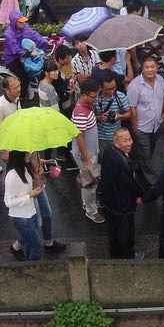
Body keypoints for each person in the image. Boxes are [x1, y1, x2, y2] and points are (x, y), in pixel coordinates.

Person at [98, 128, 143, 259]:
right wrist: (141, 195)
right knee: (125, 231)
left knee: (113, 229)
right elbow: (129, 183)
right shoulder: (121, 161)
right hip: (122, 204)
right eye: (125, 140)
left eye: (130, 139)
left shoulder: (108, 152)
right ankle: (128, 255)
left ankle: (115, 253)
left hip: (109, 201)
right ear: (116, 142)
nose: (129, 143)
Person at [126, 56, 164, 186]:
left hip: (156, 125)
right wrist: (135, 128)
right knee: (146, 152)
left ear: (157, 68)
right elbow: (132, 107)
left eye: (153, 67)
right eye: (147, 67)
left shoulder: (161, 80)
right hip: (142, 127)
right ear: (142, 69)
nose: (150, 70)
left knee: (150, 150)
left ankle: (139, 167)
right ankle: (151, 179)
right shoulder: (135, 85)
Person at [70, 78, 104, 224]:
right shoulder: (81, 113)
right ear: (84, 95)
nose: (96, 99)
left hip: (90, 152)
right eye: (94, 96)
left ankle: (88, 203)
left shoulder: (85, 107)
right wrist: (87, 159)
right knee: (89, 183)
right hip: (87, 154)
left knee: (89, 182)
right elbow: (79, 138)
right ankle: (91, 211)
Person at [2, 150, 45, 261]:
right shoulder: (12, 176)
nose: (29, 156)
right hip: (21, 218)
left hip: (31, 213)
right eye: (26, 154)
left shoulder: (25, 170)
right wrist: (30, 195)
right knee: (37, 246)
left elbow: (24, 189)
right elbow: (8, 202)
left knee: (31, 244)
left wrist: (35, 177)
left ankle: (27, 264)